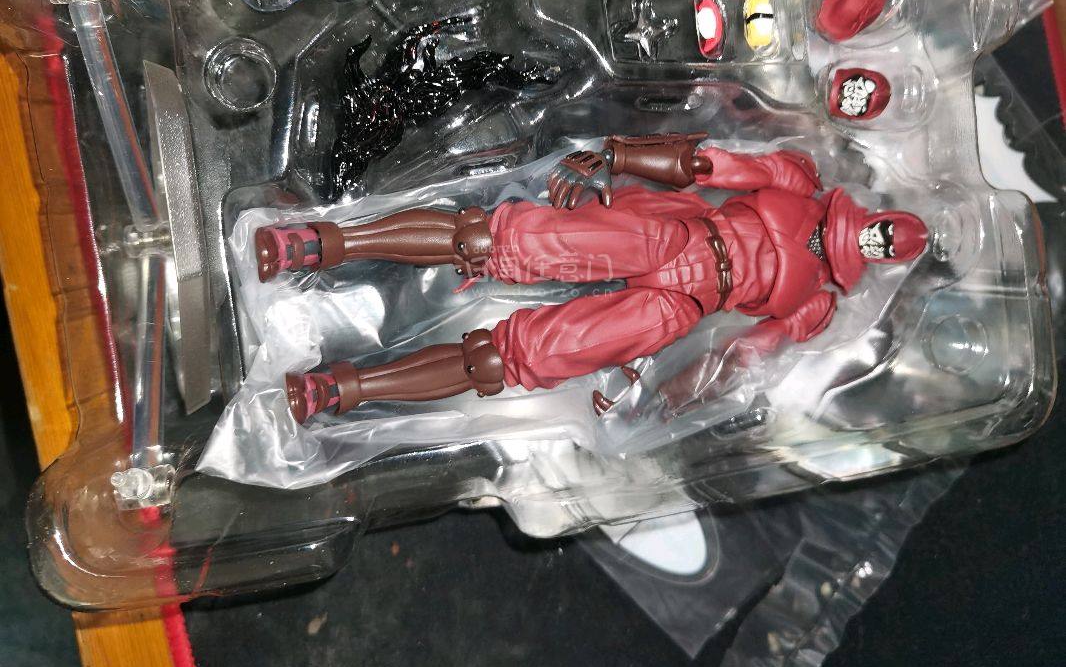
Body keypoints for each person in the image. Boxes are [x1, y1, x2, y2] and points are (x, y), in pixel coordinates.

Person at [254, 134, 928, 423]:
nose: (873, 239)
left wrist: (672, 397)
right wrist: (617, 155)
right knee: (490, 239)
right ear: (877, 215)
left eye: (883, 246)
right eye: (882, 229)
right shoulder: (800, 182)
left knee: (511, 359)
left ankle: (340, 389)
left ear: (882, 257)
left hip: (683, 305)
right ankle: (317, 243)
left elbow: (746, 353)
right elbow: (707, 164)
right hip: (675, 237)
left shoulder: (818, 303)